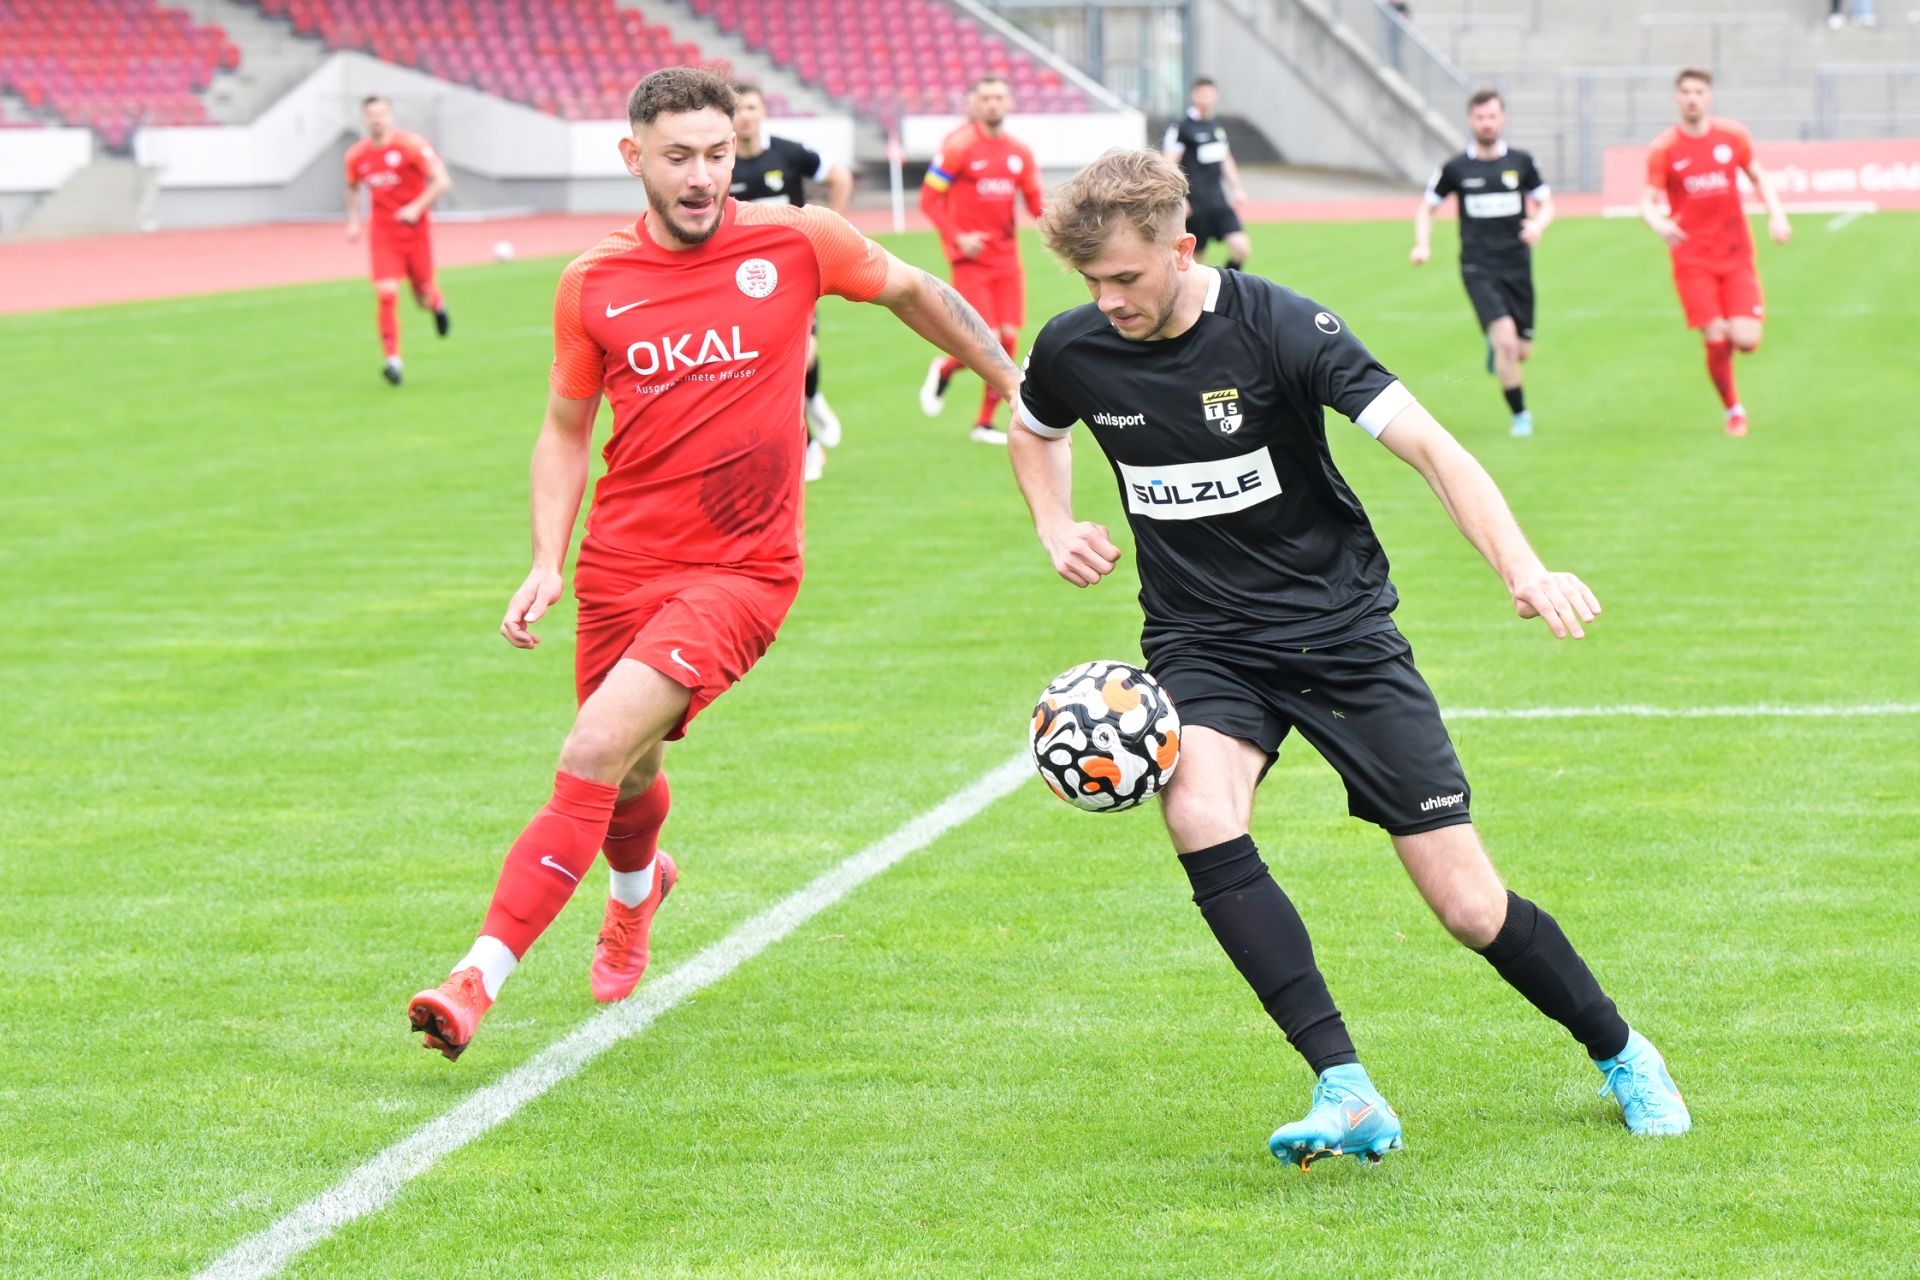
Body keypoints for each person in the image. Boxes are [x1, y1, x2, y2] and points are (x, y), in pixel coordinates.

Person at [1009, 150, 1691, 1167]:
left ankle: (1622, 1048)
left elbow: (1434, 450)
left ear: (1178, 248)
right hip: (1204, 642)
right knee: (1197, 811)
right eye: (1090, 283)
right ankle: (1345, 1083)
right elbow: (1033, 426)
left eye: (1125, 279)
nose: (1107, 302)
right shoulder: (1076, 347)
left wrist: (1524, 567)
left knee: (1468, 904)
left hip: (1343, 634)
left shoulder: (1284, 326)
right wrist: (1053, 522)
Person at [407, 68, 1022, 1061]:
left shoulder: (795, 238)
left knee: (592, 750)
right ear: (633, 157)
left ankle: (475, 977)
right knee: (627, 770)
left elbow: (913, 288)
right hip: (621, 562)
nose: (702, 176)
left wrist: (1011, 377)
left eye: (717, 155)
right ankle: (641, 890)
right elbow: (565, 430)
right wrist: (545, 560)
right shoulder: (590, 283)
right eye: (679, 157)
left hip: (743, 567)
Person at [1640, 68, 1791, 436]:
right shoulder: (1664, 149)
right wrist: (1659, 223)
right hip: (1692, 258)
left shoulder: (1733, 136)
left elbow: (1758, 175)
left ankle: (1729, 349)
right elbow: (1647, 200)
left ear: (1710, 97)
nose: (1692, 98)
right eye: (1686, 92)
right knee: (1715, 333)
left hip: (1735, 253)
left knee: (1745, 339)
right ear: (1677, 99)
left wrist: (1777, 214)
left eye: (1699, 91)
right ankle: (1733, 410)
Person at [730, 82, 854, 482]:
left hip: (793, 272)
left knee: (805, 355)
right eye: (737, 109)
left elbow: (839, 177)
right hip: (742, 281)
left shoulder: (788, 152)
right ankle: (808, 445)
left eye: (751, 106)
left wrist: (832, 225)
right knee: (770, 365)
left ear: (763, 110)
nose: (745, 115)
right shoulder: (721, 164)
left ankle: (813, 401)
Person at [1412, 87, 1553, 437]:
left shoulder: (1521, 162)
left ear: (1502, 118)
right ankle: (1520, 416)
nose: (1486, 124)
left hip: (1517, 265)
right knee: (1506, 340)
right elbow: (1427, 207)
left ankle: (1499, 346)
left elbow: (1547, 203)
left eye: (1492, 117)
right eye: (1480, 117)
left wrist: (1538, 225)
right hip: (1478, 266)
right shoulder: (1456, 168)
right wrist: (1422, 244)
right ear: (1470, 120)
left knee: (1520, 351)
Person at [917, 73, 1043, 445]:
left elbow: (1036, 204)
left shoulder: (1019, 153)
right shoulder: (959, 148)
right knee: (983, 336)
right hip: (971, 260)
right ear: (976, 103)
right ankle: (943, 367)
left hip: (1008, 260)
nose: (992, 104)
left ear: (1009, 103)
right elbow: (928, 200)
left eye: (999, 97)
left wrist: (1066, 229)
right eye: (986, 97)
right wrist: (960, 237)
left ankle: (983, 423)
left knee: (1008, 340)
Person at [345, 95, 452, 387]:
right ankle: (393, 360)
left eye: (381, 113)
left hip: (416, 233)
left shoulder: (411, 146)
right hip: (383, 234)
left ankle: (437, 303)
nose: (376, 119)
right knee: (386, 293)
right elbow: (352, 188)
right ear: (364, 119)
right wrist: (354, 220)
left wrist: (416, 208)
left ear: (390, 116)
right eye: (371, 114)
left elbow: (442, 181)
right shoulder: (356, 156)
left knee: (421, 296)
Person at [1162, 77, 1251, 272]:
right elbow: (1169, 164)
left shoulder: (1216, 125)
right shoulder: (1182, 128)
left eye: (1210, 94)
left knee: (1241, 248)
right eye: (1202, 94)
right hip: (1194, 205)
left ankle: (1226, 286)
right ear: (1194, 95)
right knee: (1194, 264)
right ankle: (1197, 300)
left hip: (1218, 201)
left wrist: (1237, 188)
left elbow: (1226, 159)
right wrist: (1179, 198)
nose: (1206, 98)